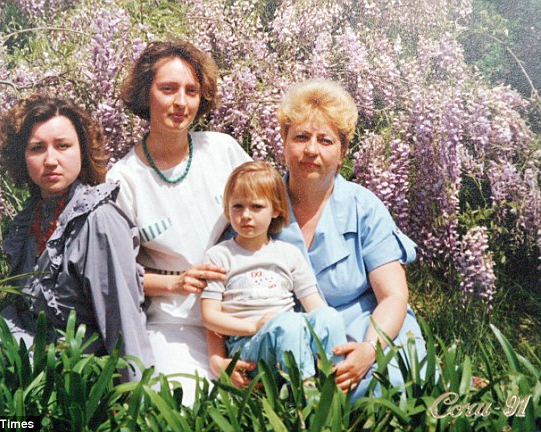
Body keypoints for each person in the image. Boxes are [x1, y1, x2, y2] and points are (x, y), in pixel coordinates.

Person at [0, 95, 153, 382]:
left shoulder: (98, 218)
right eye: (37, 148)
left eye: (63, 146)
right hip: (32, 357)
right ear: (23, 157)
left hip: (77, 374)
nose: (50, 160)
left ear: (82, 151)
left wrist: (134, 399)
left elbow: (122, 319)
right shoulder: (31, 217)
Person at [106, 40, 251, 404]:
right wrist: (178, 283)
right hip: (176, 324)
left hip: (241, 311)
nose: (180, 103)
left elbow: (271, 213)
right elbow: (121, 275)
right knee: (186, 408)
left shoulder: (222, 150)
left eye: (191, 91)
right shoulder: (124, 178)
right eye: (167, 89)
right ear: (145, 94)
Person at [273, 79, 427, 399]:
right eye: (301, 137)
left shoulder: (363, 206)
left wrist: (369, 350)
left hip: (369, 326)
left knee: (400, 388)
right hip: (293, 336)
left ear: (342, 152)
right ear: (284, 142)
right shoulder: (260, 203)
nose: (311, 150)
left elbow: (393, 296)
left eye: (325, 140)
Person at [201, 161, 346, 380]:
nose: (246, 215)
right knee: (288, 323)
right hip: (249, 346)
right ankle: (302, 394)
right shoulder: (219, 256)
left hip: (291, 336)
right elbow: (210, 316)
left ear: (276, 209)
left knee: (329, 316)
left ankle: (336, 380)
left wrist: (323, 324)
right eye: (238, 206)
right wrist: (253, 326)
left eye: (256, 207)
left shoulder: (288, 254)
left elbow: (315, 305)